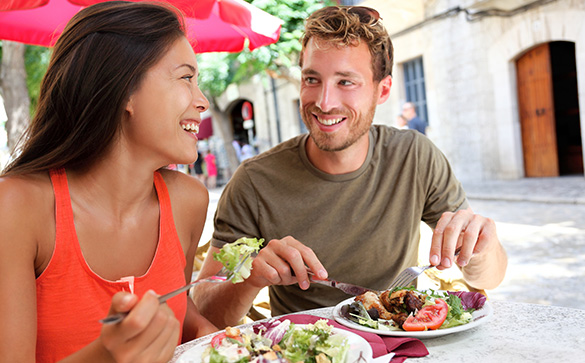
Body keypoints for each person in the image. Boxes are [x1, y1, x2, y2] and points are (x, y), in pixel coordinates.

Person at [193, 5, 507, 328]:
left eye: (345, 82)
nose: (324, 102)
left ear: (382, 90)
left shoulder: (414, 157)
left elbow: (492, 277)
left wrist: (482, 248)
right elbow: (203, 312)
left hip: (400, 347)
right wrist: (250, 278)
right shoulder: (254, 181)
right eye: (312, 79)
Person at [0, 2, 218, 362]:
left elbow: (177, 307)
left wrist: (203, 332)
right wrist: (105, 354)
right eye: (185, 78)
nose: (202, 101)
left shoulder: (188, 201)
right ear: (124, 90)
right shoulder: (18, 208)